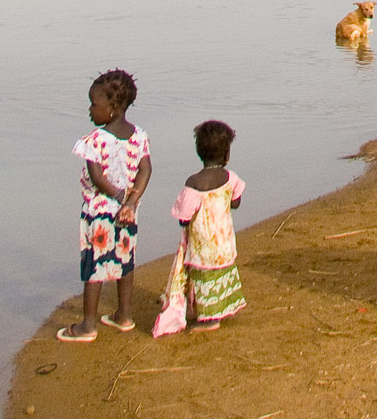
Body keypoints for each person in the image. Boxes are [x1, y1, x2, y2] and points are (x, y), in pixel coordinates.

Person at [58, 69, 152, 341]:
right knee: (125, 260)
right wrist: (132, 200)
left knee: (94, 267)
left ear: (111, 108)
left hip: (99, 213)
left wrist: (119, 196)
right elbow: (146, 170)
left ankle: (88, 325)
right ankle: (123, 315)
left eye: (93, 104)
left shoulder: (94, 141)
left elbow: (98, 178)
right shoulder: (139, 135)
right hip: (127, 213)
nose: (90, 110)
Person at [153, 121, 247, 336]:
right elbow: (236, 202)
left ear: (199, 152)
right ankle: (221, 309)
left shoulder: (195, 183)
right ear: (226, 154)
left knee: (204, 278)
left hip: (203, 243)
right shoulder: (230, 178)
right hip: (223, 240)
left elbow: (183, 216)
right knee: (221, 272)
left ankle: (209, 319)